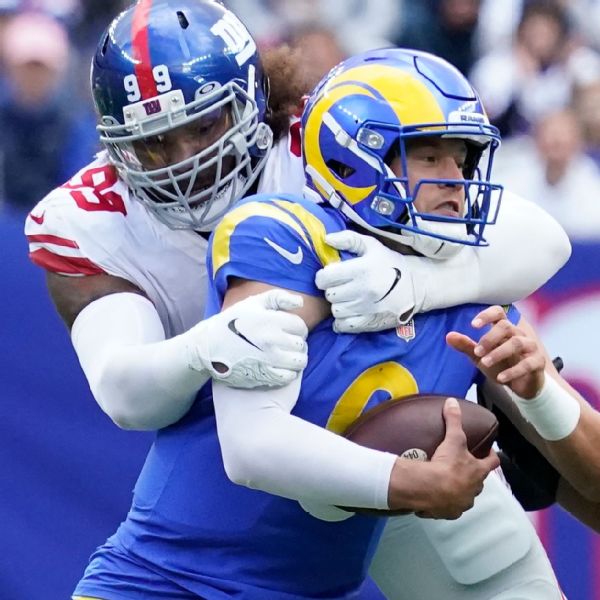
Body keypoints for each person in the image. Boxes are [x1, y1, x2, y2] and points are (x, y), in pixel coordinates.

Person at [72, 48, 565, 600]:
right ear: (357, 159)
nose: (456, 181)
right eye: (429, 156)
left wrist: (538, 397)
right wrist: (415, 483)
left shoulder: (466, 278)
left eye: (462, 159)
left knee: (504, 569)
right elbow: (251, 446)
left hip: (313, 589)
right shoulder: (279, 234)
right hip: (170, 583)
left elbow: (550, 242)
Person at [24, 0, 569, 436]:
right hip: (235, 442)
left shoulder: (316, 142)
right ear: (116, 144)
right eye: (154, 144)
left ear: (252, 100)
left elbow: (543, 241)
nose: (183, 160)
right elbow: (128, 398)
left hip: (384, 401)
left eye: (204, 127)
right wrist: (202, 350)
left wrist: (416, 283)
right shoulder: (86, 219)